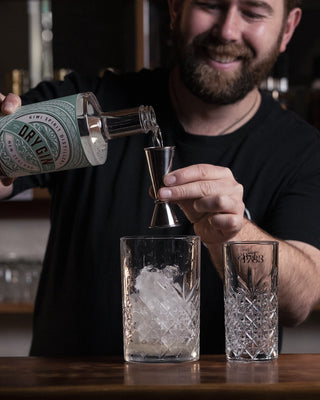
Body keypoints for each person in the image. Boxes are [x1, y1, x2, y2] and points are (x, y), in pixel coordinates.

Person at [1, 0, 320, 356]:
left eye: (253, 12)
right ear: (174, 10)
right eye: (210, 5)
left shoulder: (303, 151)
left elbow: (298, 302)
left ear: (287, 29)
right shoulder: (81, 112)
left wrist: (234, 233)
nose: (227, 31)